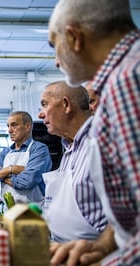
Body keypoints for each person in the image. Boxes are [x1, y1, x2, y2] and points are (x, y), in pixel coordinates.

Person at [48, 0, 140, 266]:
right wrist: (101, 247)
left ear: (75, 37)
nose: (56, 61)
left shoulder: (127, 81)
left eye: (55, 46)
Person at [38, 81, 107, 243]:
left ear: (66, 105)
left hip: (96, 256)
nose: (41, 114)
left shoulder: (101, 141)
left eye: (44, 105)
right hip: (63, 250)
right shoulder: (69, 148)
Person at [0, 111, 52, 207]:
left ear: (27, 126)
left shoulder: (39, 149)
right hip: (8, 212)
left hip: (33, 212)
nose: (9, 130)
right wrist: (12, 169)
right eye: (8, 126)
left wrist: (2, 177)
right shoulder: (6, 152)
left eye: (14, 125)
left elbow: (28, 181)